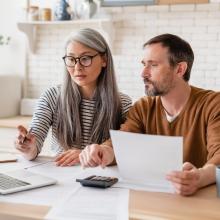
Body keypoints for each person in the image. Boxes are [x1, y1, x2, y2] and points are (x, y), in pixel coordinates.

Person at [79, 33, 220, 196]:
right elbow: (123, 142)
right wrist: (103, 151)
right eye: (144, 64)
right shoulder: (143, 107)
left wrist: (200, 177)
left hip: (200, 203)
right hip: (156, 197)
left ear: (180, 69)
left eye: (153, 65)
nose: (143, 73)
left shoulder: (213, 104)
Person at [15, 28, 132, 166]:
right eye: (71, 59)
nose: (77, 67)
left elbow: (127, 151)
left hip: (101, 179)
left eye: (85, 58)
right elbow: (34, 147)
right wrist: (27, 147)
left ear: (104, 60)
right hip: (61, 176)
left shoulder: (123, 103)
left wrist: (85, 155)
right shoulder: (52, 96)